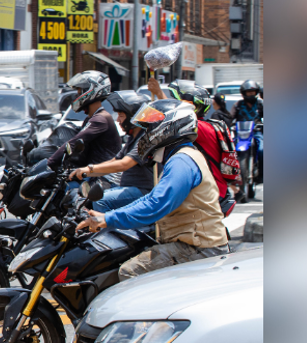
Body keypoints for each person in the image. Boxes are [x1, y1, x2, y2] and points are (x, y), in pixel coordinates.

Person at [75, 99, 230, 280]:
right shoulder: (178, 158)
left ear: (168, 127)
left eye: (149, 129)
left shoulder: (181, 161)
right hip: (193, 244)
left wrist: (109, 219)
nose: (146, 135)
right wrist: (108, 216)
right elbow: (151, 198)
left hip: (200, 249)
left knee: (130, 271)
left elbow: (157, 204)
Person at [70, 90, 152, 212]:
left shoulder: (144, 140)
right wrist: (86, 171)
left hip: (142, 191)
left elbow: (124, 164)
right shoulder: (132, 138)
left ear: (133, 117)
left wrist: (90, 169)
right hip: (129, 187)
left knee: (101, 200)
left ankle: (108, 230)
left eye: (121, 116)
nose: (118, 120)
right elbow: (114, 160)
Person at [44, 70, 121, 171]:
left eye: (80, 92)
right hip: (91, 173)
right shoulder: (91, 118)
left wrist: (50, 163)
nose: (77, 95)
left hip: (102, 177)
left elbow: (73, 143)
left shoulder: (100, 119)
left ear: (92, 91)